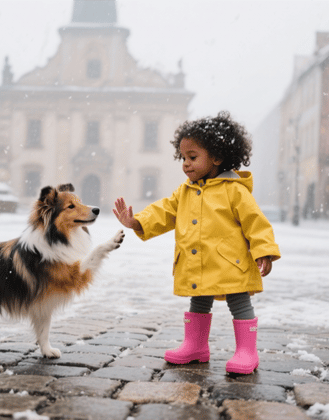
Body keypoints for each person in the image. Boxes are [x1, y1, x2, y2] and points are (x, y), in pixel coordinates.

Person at [113, 111, 281, 375]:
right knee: (199, 302)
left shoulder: (234, 190)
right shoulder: (185, 192)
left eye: (192, 157)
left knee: (239, 303)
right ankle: (195, 345)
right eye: (183, 158)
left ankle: (247, 351)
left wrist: (265, 251)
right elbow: (164, 211)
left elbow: (255, 222)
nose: (186, 164)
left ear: (217, 157)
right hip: (197, 262)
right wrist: (137, 222)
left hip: (231, 263)